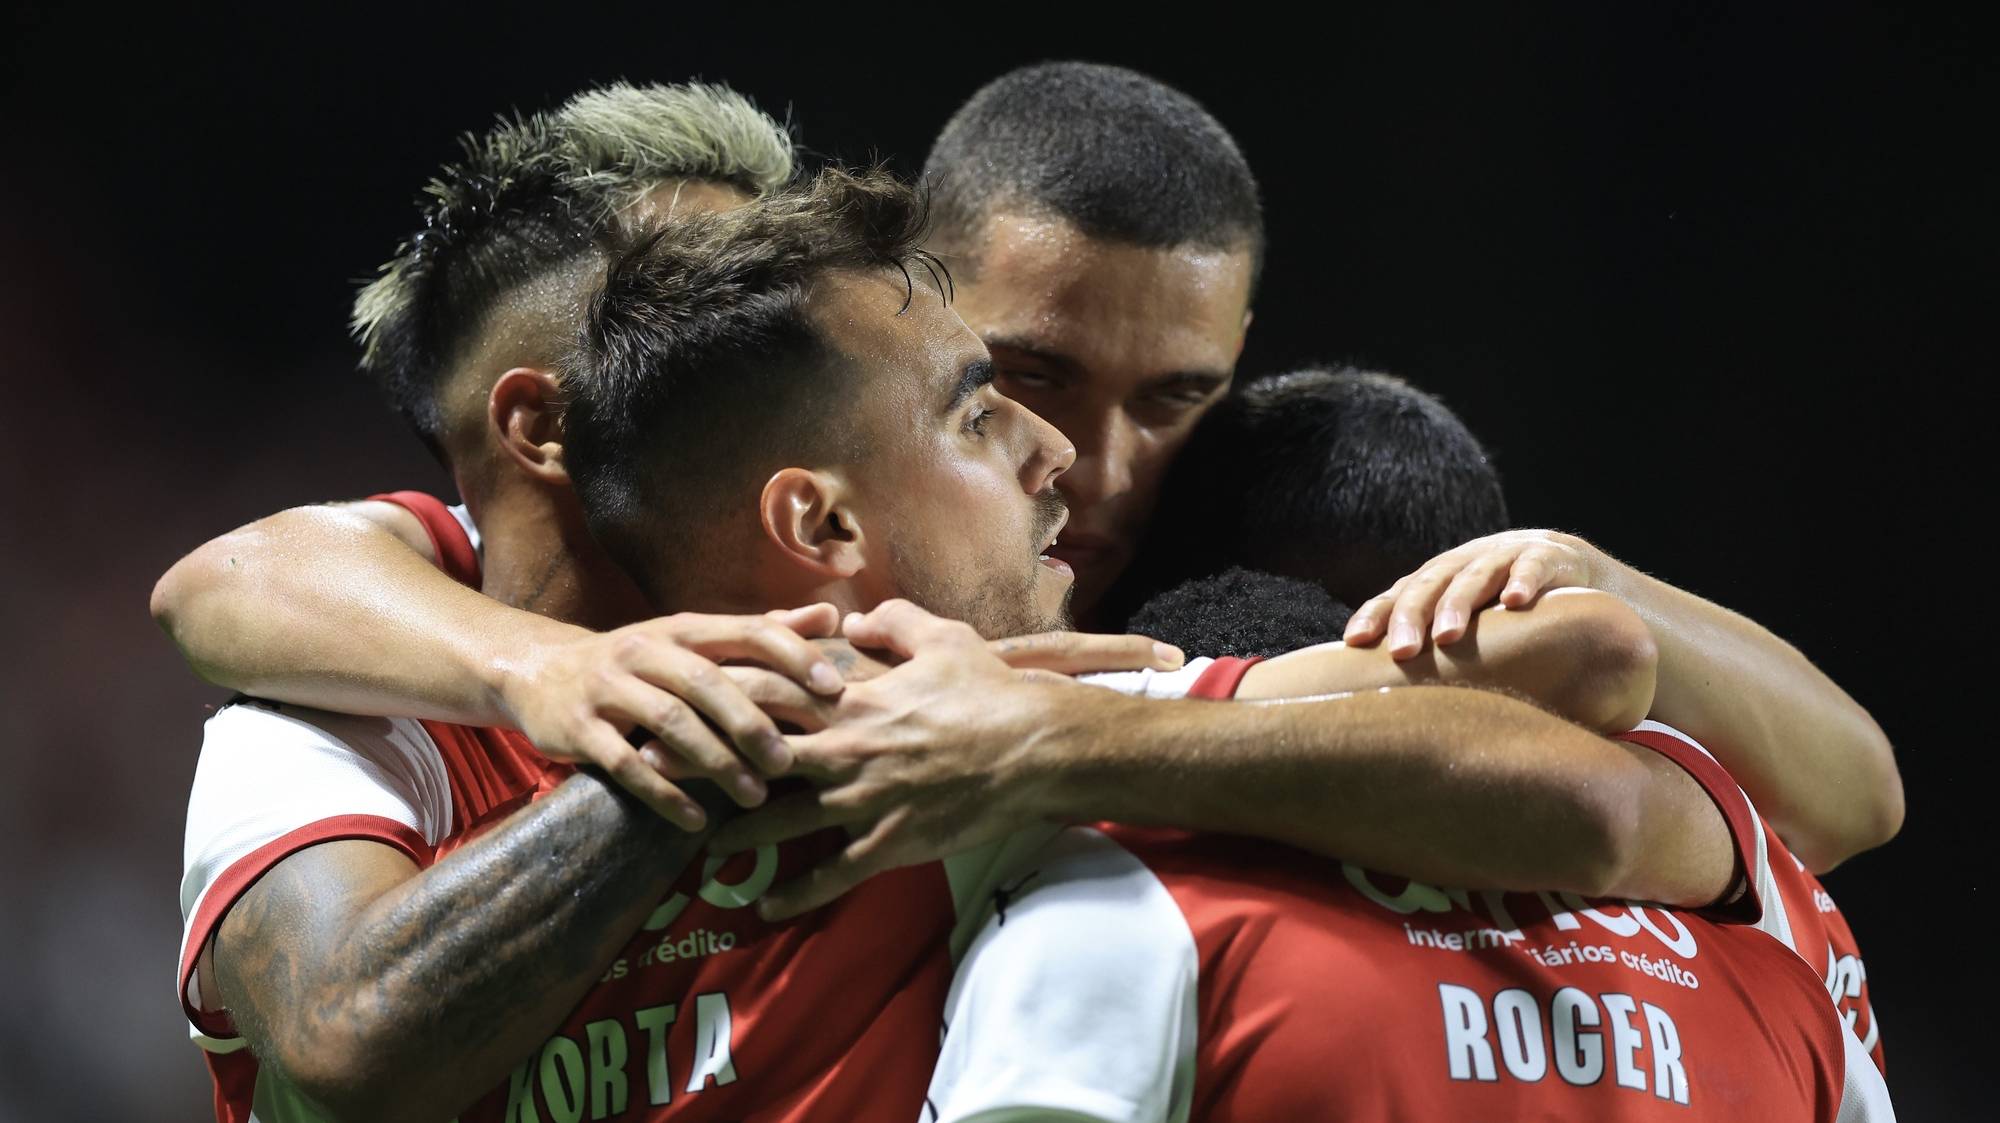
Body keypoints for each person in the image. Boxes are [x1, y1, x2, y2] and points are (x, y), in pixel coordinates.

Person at [179, 166, 1869, 1122]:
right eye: (985, 413)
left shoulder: (990, 711)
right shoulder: (347, 703)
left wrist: (1054, 738)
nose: (1072, 461)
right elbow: (343, 1043)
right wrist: (630, 731)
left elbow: (1592, 742)